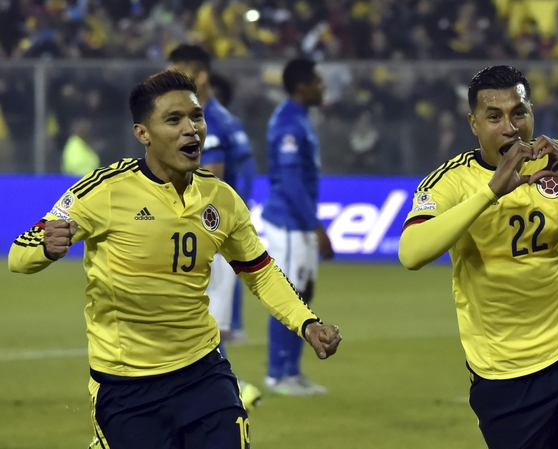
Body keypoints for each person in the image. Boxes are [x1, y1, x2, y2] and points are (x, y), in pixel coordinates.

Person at [8, 70, 342, 449]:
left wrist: (306, 323)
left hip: (202, 372)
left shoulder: (222, 199)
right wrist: (47, 248)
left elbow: (260, 272)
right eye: (173, 120)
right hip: (126, 384)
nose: (191, 129)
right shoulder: (104, 191)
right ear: (142, 134)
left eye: (196, 117)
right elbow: (19, 255)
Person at [398, 65, 558, 448]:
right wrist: (490, 193)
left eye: (519, 113)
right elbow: (411, 253)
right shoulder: (452, 181)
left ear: (532, 113)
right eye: (494, 117)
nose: (510, 126)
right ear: (473, 124)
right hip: (503, 376)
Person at [167, 44, 260, 407]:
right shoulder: (221, 118)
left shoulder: (210, 123)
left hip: (207, 232)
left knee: (207, 324)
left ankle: (220, 393)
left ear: (200, 77)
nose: (170, 79)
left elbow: (210, 177)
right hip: (215, 230)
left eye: (179, 72)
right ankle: (218, 391)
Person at [262, 58, 335, 396]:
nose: (322, 86)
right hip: (289, 223)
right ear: (302, 85)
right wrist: (314, 225)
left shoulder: (300, 119)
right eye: (318, 81)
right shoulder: (288, 123)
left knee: (303, 296)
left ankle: (291, 370)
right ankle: (277, 374)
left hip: (298, 223)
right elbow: (290, 182)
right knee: (288, 296)